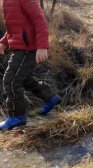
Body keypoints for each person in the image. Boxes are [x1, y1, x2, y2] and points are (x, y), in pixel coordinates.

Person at [0, 0, 61, 130]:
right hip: (21, 47)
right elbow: (15, 26)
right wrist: (4, 43)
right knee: (25, 79)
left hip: (27, 49)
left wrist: (42, 47)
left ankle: (17, 117)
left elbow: (40, 21)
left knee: (10, 81)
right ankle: (50, 97)